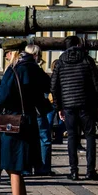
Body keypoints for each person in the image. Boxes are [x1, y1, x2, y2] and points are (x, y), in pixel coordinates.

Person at [0, 39, 47, 195]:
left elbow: (3, 98)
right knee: (18, 165)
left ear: (13, 53)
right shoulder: (34, 68)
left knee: (12, 165)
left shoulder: (14, 70)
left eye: (7, 53)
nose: (6, 56)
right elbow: (46, 87)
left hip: (13, 122)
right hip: (29, 120)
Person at [50, 36, 98, 181]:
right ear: (78, 44)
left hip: (68, 105)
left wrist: (58, 106)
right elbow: (96, 83)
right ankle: (90, 170)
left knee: (72, 137)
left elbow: (53, 86)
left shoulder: (60, 62)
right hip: (86, 104)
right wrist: (96, 103)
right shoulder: (87, 59)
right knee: (90, 136)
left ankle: (74, 171)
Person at [25, 44, 55, 176]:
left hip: (23, 109)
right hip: (37, 109)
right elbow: (48, 85)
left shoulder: (18, 68)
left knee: (26, 139)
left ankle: (26, 167)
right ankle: (43, 167)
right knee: (44, 139)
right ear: (36, 55)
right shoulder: (36, 70)